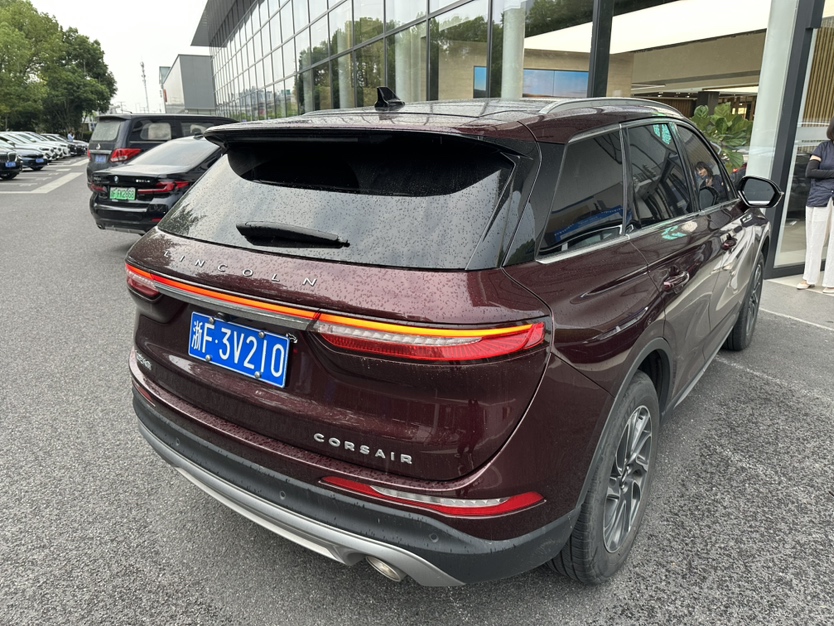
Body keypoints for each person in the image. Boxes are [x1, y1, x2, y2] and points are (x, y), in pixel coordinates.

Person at [797, 115, 834, 294]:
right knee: (814, 239)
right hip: (820, 198)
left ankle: (831, 281)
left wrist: (826, 173)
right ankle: (808, 278)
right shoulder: (823, 148)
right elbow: (810, 171)